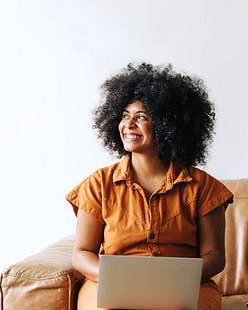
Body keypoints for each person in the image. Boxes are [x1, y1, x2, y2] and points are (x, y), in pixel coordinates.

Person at [66, 62, 233, 310]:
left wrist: (172, 280)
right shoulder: (99, 184)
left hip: (183, 288)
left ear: (168, 125)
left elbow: (214, 257)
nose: (128, 124)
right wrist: (121, 280)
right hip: (111, 286)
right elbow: (81, 253)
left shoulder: (204, 187)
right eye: (125, 115)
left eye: (141, 117)